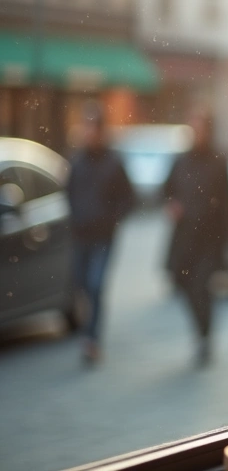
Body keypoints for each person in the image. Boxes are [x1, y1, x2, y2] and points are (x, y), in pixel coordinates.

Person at [163, 109, 228, 367]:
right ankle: (200, 329)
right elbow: (167, 190)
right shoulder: (181, 161)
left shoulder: (218, 161)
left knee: (202, 287)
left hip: (209, 237)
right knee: (182, 282)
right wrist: (172, 205)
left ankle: (204, 336)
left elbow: (227, 198)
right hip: (185, 237)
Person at [65, 103, 135, 366]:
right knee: (81, 284)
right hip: (80, 235)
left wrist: (113, 218)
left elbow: (129, 198)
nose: (89, 133)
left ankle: (92, 339)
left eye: (93, 128)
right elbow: (68, 193)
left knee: (95, 285)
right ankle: (88, 330)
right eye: (86, 127)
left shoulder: (114, 162)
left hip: (103, 237)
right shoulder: (77, 161)